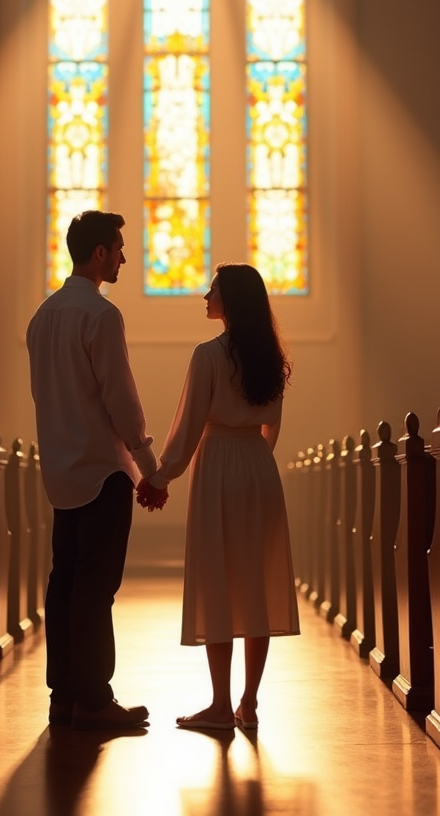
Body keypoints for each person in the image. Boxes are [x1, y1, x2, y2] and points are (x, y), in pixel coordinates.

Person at [137, 262, 300, 730]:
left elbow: (188, 427)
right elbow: (272, 426)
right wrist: (254, 458)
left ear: (230, 301)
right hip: (258, 467)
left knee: (219, 581)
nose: (205, 296)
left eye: (213, 290)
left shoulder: (208, 355)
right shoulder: (271, 356)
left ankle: (219, 705)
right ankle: (249, 701)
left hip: (220, 465)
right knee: (255, 585)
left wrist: (160, 477)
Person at [26, 210, 158, 730]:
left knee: (64, 582)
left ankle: (64, 694)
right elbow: (121, 401)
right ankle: (95, 699)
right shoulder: (101, 316)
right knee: (96, 585)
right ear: (99, 253)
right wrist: (147, 466)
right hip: (102, 471)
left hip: (60, 468)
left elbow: (44, 395)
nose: (124, 255)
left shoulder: (43, 316)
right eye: (119, 247)